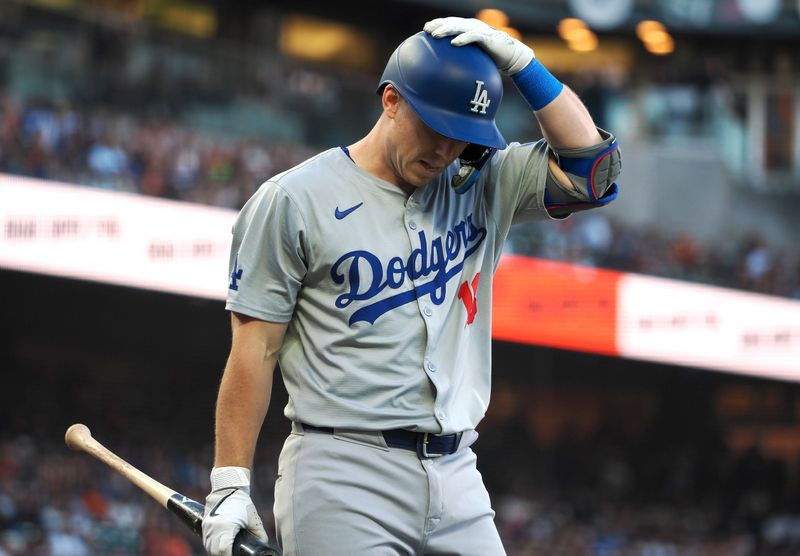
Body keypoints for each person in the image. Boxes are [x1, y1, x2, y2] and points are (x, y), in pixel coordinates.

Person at [202, 16, 621, 556]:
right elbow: (255, 349)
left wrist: (524, 64)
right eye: (436, 128)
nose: (447, 150)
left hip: (458, 474)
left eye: (463, 137)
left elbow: (594, 174)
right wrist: (230, 482)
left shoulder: (483, 181)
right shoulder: (292, 200)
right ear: (392, 99)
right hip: (343, 473)